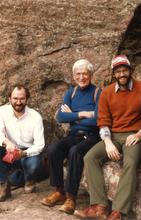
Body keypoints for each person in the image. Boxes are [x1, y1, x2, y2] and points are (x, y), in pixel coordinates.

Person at [75, 55, 141, 219]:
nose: (122, 74)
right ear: (114, 74)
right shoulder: (107, 92)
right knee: (90, 157)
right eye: (118, 71)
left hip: (135, 135)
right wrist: (108, 142)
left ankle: (118, 211)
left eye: (125, 70)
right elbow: (103, 120)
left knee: (130, 163)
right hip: (113, 135)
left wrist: (140, 134)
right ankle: (99, 206)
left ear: (130, 71)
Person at [40, 59, 101, 214]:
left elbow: (97, 119)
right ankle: (59, 191)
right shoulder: (71, 93)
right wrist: (82, 113)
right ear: (74, 76)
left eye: (85, 74)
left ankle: (71, 197)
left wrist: (72, 115)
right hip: (73, 134)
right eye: (78, 74)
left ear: (91, 75)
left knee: (75, 151)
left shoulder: (97, 93)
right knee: (53, 149)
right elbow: (60, 117)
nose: (82, 77)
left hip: (92, 136)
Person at [0, 85, 45, 201]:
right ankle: (3, 185)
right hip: (9, 151)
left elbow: (40, 144)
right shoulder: (2, 111)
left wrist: (24, 153)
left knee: (34, 164)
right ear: (9, 99)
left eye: (22, 99)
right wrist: (6, 142)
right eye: (15, 98)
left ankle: (29, 179)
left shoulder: (36, 117)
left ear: (27, 99)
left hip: (27, 153)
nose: (18, 102)